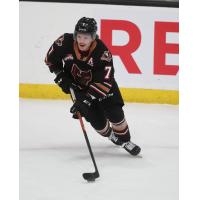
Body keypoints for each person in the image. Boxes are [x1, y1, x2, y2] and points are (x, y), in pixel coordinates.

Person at [45, 17, 141, 156]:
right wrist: (61, 76)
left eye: (86, 37)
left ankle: (125, 141)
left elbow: (105, 82)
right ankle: (110, 136)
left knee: (116, 115)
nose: (81, 40)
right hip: (78, 87)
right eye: (79, 36)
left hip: (103, 86)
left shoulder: (102, 53)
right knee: (98, 123)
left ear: (93, 37)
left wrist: (85, 101)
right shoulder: (64, 42)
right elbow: (50, 60)